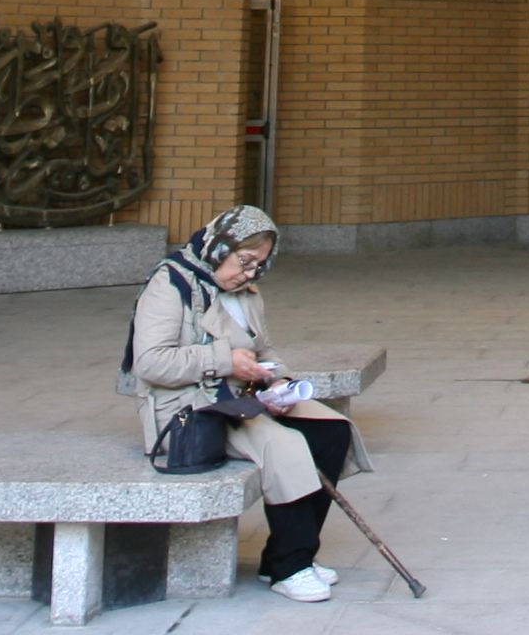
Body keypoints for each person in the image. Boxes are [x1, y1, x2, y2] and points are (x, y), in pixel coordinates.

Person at [128, 205, 367, 601]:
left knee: (331, 431)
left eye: (259, 265)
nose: (249, 273)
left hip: (244, 394)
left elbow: (264, 349)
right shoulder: (171, 284)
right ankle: (291, 568)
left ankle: (284, 555)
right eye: (245, 261)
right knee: (284, 445)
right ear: (220, 246)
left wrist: (281, 382)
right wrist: (224, 361)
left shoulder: (247, 293)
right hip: (188, 408)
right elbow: (151, 363)